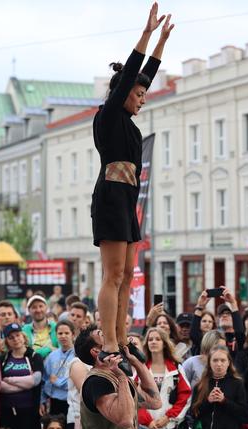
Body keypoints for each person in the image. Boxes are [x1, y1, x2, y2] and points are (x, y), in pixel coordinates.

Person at [91, 2, 173, 375]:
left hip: (127, 201)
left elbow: (146, 75)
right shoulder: (108, 115)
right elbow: (132, 74)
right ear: (122, 93)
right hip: (110, 197)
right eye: (138, 96)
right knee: (112, 275)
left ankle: (122, 335)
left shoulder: (129, 121)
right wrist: (147, 34)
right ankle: (108, 338)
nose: (141, 100)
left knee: (126, 273)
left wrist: (163, 43)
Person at [75, 326, 162, 429]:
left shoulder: (118, 376)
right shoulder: (96, 381)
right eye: (102, 334)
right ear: (96, 352)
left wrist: (136, 362)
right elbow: (125, 420)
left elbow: (155, 402)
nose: (111, 337)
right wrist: (121, 377)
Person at [137, 327, 191, 429]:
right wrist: (148, 421)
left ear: (164, 343)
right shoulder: (140, 369)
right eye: (150, 339)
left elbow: (185, 396)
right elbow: (134, 398)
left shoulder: (176, 368)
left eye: (158, 339)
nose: (153, 342)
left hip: (168, 427)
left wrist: (168, 417)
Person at [191, 345, 248, 429]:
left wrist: (224, 401)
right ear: (209, 363)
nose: (219, 364)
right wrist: (208, 401)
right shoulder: (200, 385)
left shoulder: (237, 383)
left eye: (223, 360)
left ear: (228, 363)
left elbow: (243, 413)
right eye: (215, 360)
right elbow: (194, 413)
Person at [0, 322, 44, 429]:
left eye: (18, 335)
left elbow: (35, 380)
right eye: (11, 337)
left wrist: (10, 380)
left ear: (23, 336)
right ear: (7, 341)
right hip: (7, 411)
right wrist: (25, 384)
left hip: (29, 412)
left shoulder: (35, 357)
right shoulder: (2, 359)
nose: (15, 339)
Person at [192, 288, 245, 357]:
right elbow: (194, 335)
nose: (224, 315)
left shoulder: (238, 339)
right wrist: (200, 306)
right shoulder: (213, 338)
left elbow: (240, 333)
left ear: (234, 318)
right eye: (221, 314)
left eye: (228, 313)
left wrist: (233, 303)